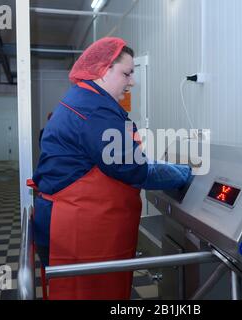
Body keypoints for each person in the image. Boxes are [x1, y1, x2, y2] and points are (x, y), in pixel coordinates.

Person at [28, 37, 191, 300]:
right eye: (126, 73)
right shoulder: (96, 111)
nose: (132, 81)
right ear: (103, 70)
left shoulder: (82, 99)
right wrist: (183, 174)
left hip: (70, 222)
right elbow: (134, 169)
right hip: (79, 230)